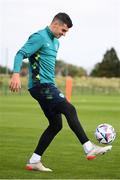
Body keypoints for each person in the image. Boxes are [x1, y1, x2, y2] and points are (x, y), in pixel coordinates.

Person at [9, 12, 112, 172]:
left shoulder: (56, 43)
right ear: (55, 24)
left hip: (48, 86)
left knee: (56, 125)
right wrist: (15, 74)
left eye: (66, 32)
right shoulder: (39, 37)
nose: (64, 35)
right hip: (40, 87)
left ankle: (34, 160)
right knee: (69, 109)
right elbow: (20, 54)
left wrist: (55, 88)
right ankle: (88, 147)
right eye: (63, 30)